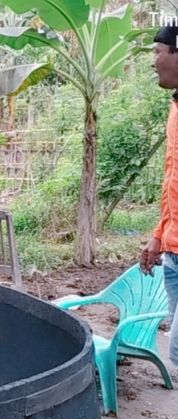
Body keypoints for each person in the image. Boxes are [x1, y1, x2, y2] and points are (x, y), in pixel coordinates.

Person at [140, 25, 178, 369]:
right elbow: (172, 182)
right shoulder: (175, 107)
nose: (154, 61)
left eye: (157, 52)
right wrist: (158, 237)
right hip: (173, 253)